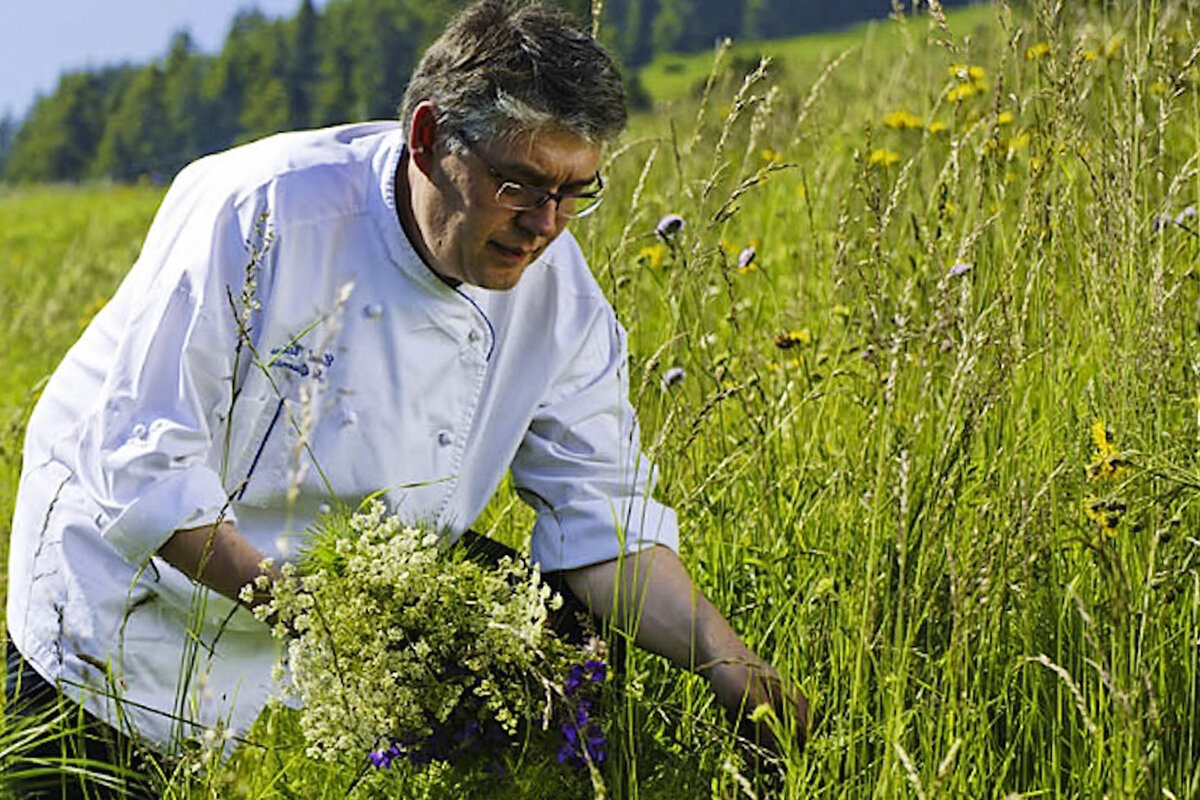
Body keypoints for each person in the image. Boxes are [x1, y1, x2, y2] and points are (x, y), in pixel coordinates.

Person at [4, 0, 807, 795]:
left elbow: (602, 523)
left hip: (334, 624)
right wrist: (317, 616)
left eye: (574, 192)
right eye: (519, 184)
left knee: (553, 636)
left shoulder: (560, 300)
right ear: (427, 140)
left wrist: (723, 659)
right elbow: (143, 463)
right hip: (124, 617)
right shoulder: (262, 212)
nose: (545, 225)